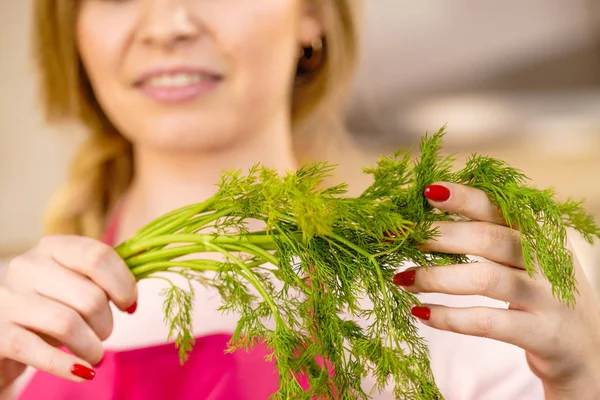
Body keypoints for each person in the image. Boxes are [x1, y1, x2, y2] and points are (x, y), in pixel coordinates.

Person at [1, 0, 599, 399]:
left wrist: (584, 380)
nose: (169, 23)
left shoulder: (453, 294)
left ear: (310, 16)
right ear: (73, 29)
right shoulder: (18, 320)